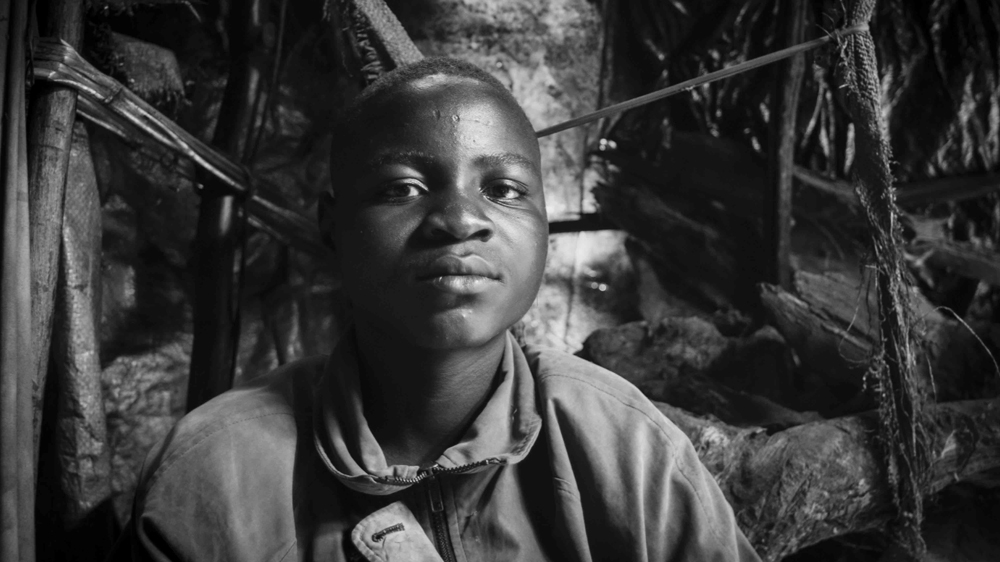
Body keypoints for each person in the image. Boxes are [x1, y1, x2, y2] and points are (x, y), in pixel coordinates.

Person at [121, 57, 761, 561]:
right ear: (332, 227)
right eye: (403, 187)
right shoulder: (211, 478)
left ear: (544, 228)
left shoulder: (623, 447)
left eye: (504, 190)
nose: (459, 220)